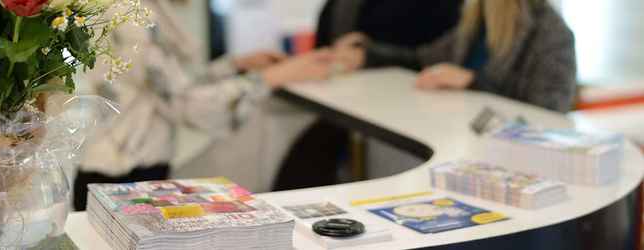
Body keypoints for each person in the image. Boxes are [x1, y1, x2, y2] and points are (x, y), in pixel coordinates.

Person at [72, 0, 333, 211]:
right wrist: (271, 78)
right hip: (121, 176)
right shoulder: (129, 14)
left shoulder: (139, 8)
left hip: (127, 168)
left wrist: (234, 65)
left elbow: (170, 84)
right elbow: (185, 103)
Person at [274, 0, 464, 191]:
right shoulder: (340, 7)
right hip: (346, 104)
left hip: (413, 114)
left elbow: (426, 57)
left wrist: (369, 54)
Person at [334, 0, 577, 112]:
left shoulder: (550, 32)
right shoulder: (475, 19)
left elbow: (550, 108)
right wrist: (368, 54)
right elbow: (421, 58)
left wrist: (472, 82)